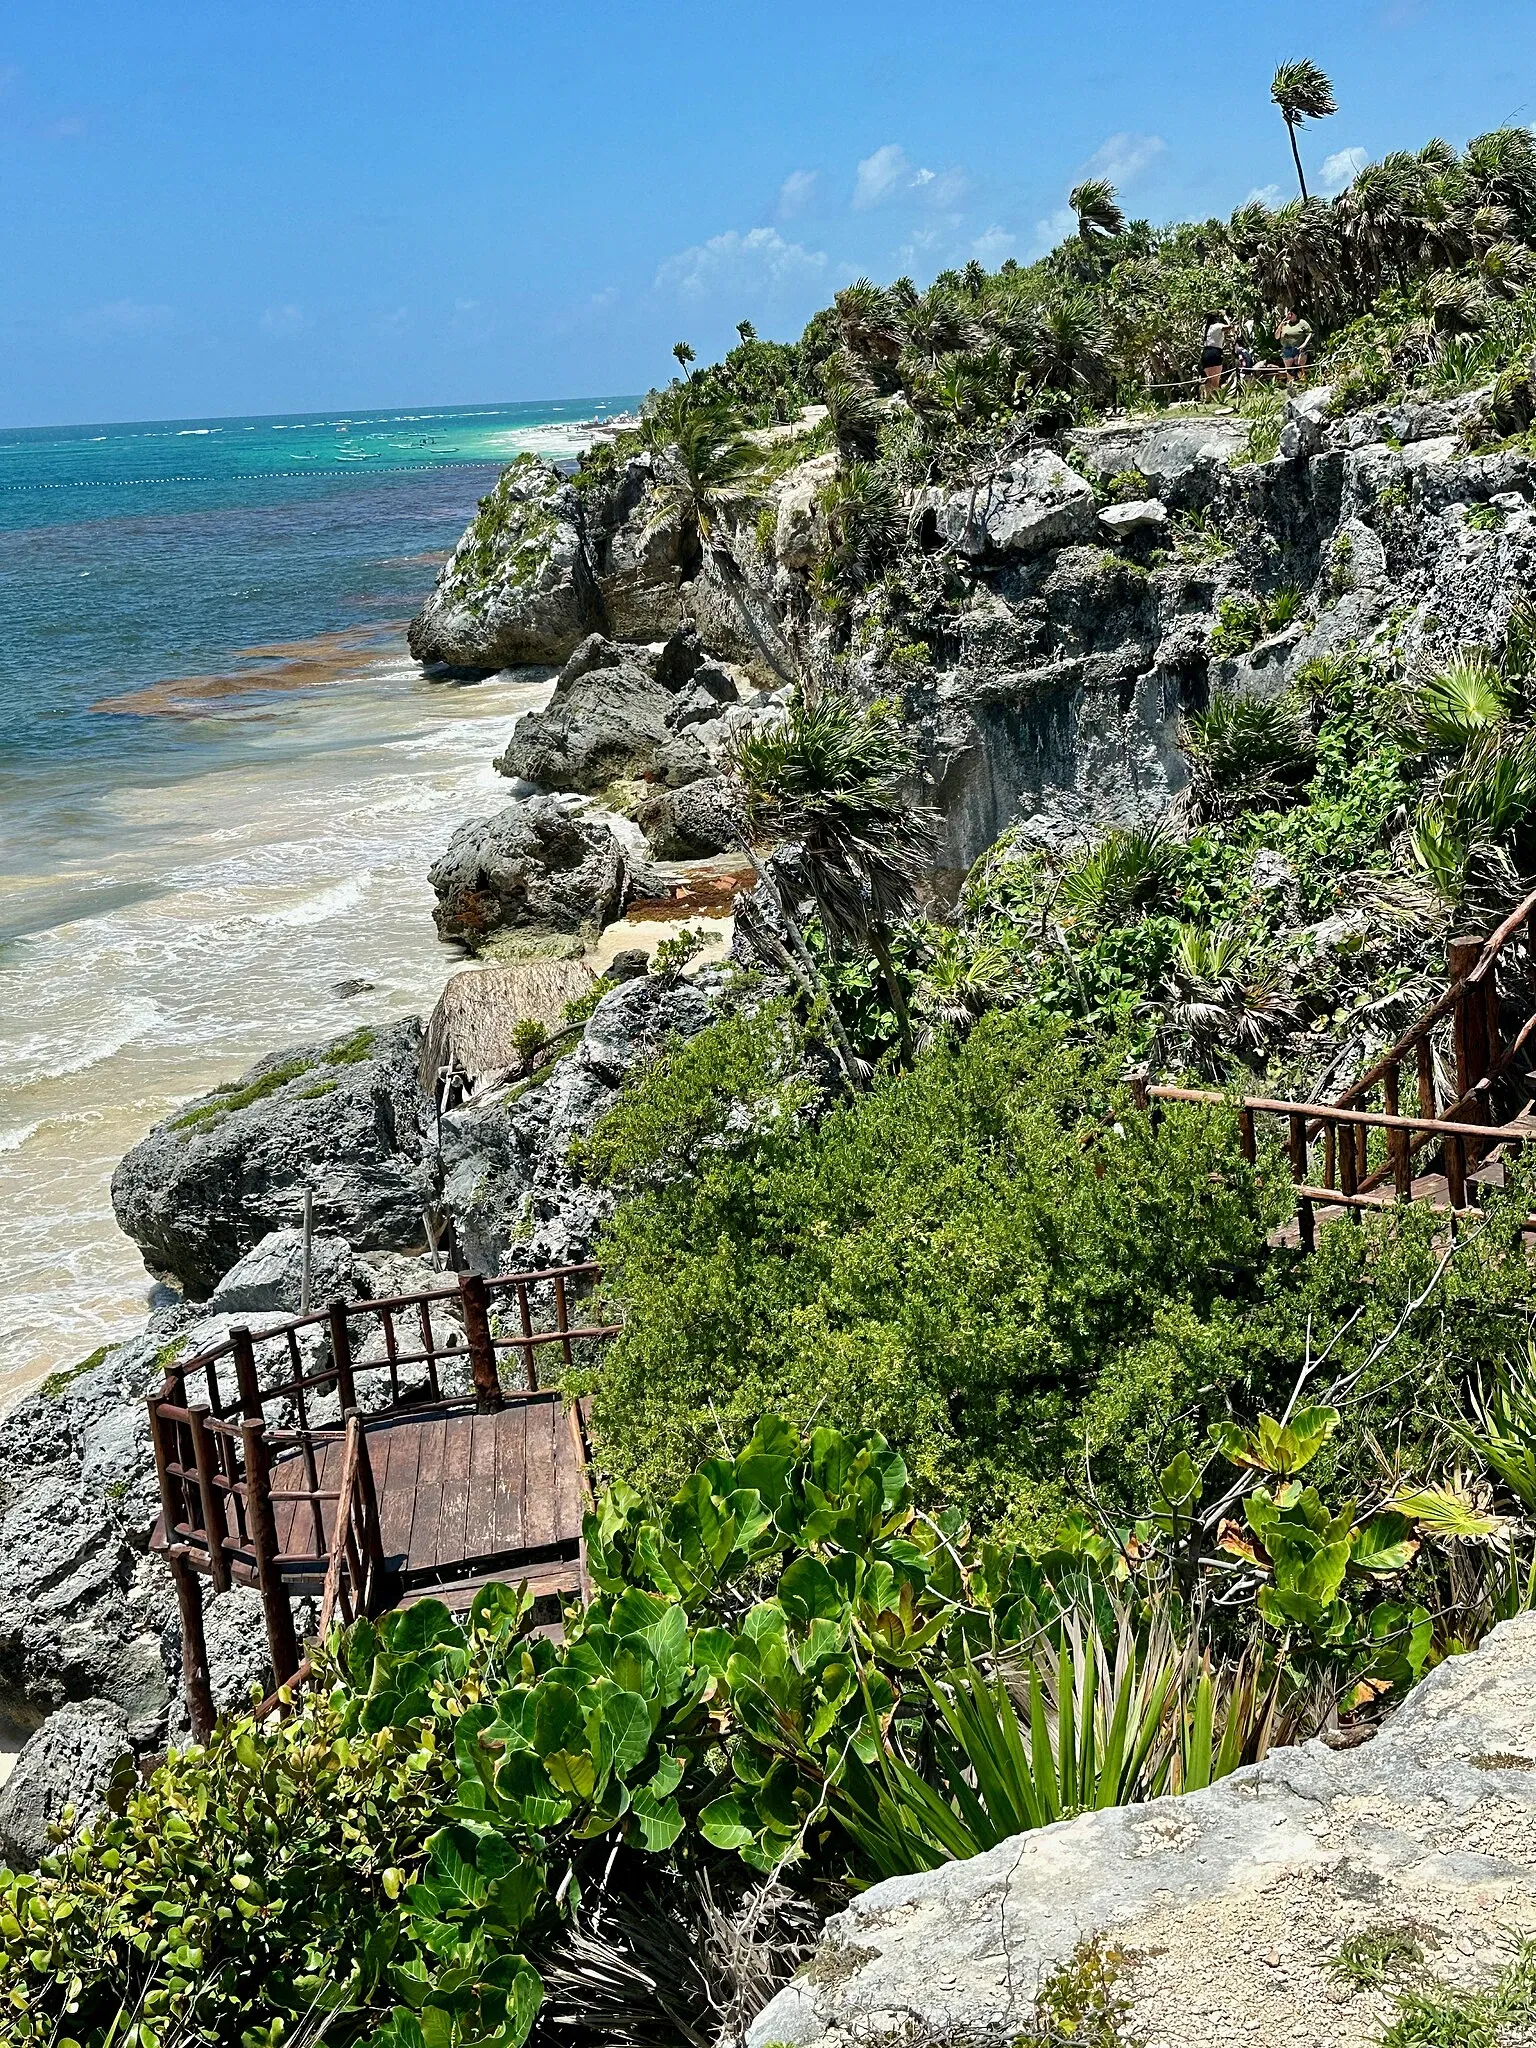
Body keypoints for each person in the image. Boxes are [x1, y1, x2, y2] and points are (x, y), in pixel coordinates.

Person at [1275, 307, 1313, 386]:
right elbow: (1276, 337)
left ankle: (1302, 384)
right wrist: (1280, 325)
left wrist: (1304, 344)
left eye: (1291, 314)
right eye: (1288, 314)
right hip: (1287, 349)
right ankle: (1291, 385)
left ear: (1295, 314)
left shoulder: (1302, 322)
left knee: (1299, 367)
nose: (1289, 316)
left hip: (1298, 348)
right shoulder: (1285, 324)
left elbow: (1309, 333)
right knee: (1289, 370)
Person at [1199, 310, 1229, 401]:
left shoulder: (1207, 328)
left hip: (1206, 353)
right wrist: (1225, 316)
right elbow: (1230, 326)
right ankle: (1217, 399)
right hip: (1215, 352)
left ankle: (1208, 398)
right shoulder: (1218, 326)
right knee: (1216, 380)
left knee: (1209, 379)